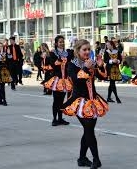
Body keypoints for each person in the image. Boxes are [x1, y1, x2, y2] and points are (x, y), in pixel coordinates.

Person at [62, 39, 108, 169]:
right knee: (89, 130)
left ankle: (82, 158)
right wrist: (86, 68)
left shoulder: (91, 63)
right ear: (78, 51)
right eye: (84, 49)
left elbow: (104, 77)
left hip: (93, 100)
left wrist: (99, 65)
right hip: (79, 102)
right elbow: (76, 80)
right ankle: (96, 159)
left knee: (88, 131)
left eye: (89, 49)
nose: (87, 52)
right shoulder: (72, 65)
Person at [42, 35, 73, 126]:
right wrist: (58, 61)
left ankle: (60, 118)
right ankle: (54, 119)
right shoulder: (53, 53)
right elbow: (52, 65)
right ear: (56, 43)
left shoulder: (67, 53)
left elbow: (70, 64)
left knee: (62, 99)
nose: (62, 43)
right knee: (56, 100)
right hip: (57, 79)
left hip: (65, 79)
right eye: (60, 42)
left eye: (63, 41)